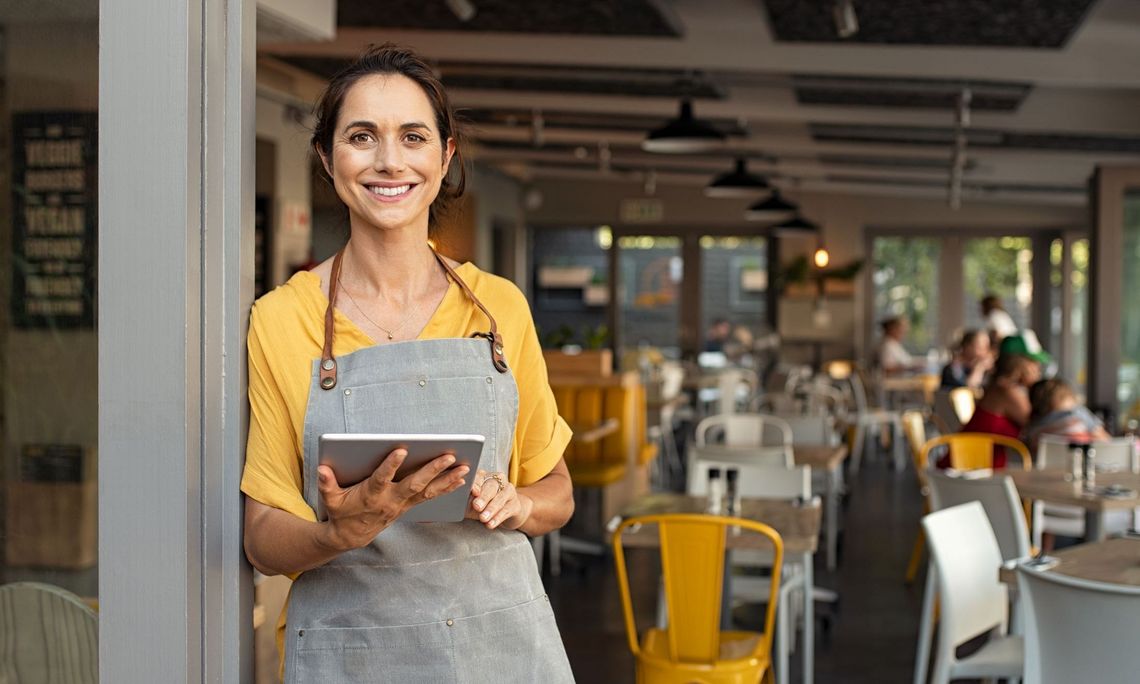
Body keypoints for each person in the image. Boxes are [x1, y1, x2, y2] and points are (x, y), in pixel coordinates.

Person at [240, 45, 575, 682]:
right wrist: (340, 532)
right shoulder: (283, 319)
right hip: (351, 652)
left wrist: (518, 506)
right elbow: (261, 535)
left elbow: (556, 491)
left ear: (444, 157)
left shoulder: (500, 308)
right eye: (361, 136)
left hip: (498, 646)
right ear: (326, 157)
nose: (389, 161)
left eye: (413, 137)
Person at [956, 353, 1042, 468]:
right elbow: (1036, 423)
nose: (1038, 374)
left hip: (975, 462)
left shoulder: (998, 387)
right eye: (1034, 369)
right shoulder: (1008, 391)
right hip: (970, 466)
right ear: (1022, 367)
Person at [1022, 378, 1111, 455]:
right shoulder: (1077, 414)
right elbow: (1106, 441)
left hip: (1046, 472)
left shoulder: (1032, 427)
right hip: (1081, 466)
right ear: (1064, 398)